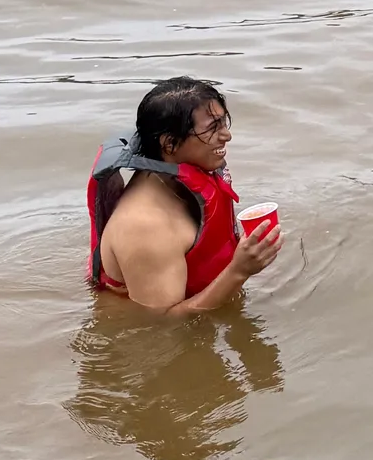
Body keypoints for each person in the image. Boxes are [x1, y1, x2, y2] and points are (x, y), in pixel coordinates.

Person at [87, 77, 281, 316]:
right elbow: (163, 323)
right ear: (170, 144)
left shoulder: (175, 178)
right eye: (212, 128)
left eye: (223, 123)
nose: (226, 136)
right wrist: (239, 271)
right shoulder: (145, 225)